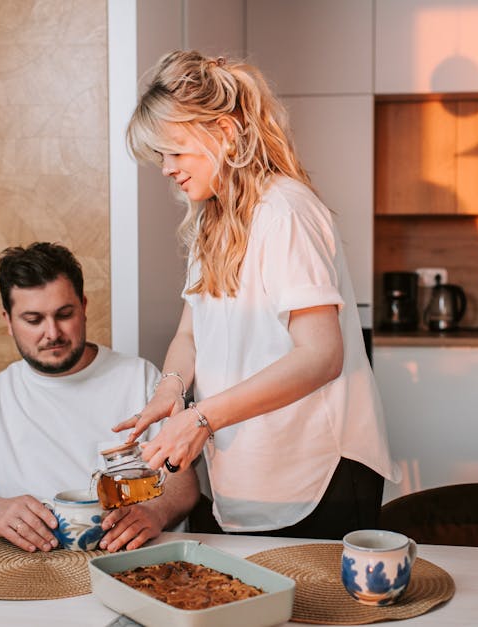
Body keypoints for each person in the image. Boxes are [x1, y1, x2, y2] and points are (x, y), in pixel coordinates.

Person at [114, 50, 399, 539]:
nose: (166, 169)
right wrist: (170, 389)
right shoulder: (213, 218)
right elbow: (191, 331)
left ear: (225, 133)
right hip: (254, 467)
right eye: (160, 156)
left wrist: (202, 418)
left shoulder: (284, 210)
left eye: (175, 151)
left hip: (319, 468)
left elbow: (321, 355)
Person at [0, 242, 198, 553]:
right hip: (35, 569)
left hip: (136, 558)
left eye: (64, 314)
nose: (52, 333)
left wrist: (155, 512)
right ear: (8, 321)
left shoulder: (139, 378)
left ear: (84, 306)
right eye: (33, 320)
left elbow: (184, 484)